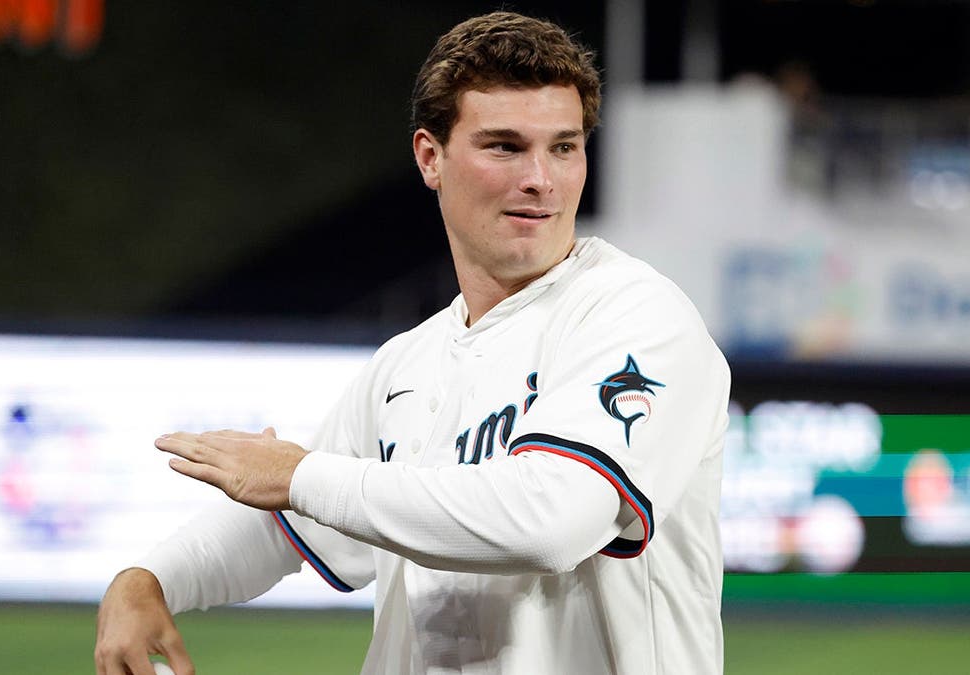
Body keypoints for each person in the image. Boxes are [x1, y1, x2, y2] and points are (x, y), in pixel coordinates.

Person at [94, 11, 730, 675]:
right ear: (431, 157)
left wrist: (302, 473)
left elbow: (554, 519)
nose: (541, 178)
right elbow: (286, 522)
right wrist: (150, 577)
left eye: (564, 147)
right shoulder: (407, 364)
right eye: (505, 147)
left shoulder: (637, 316)